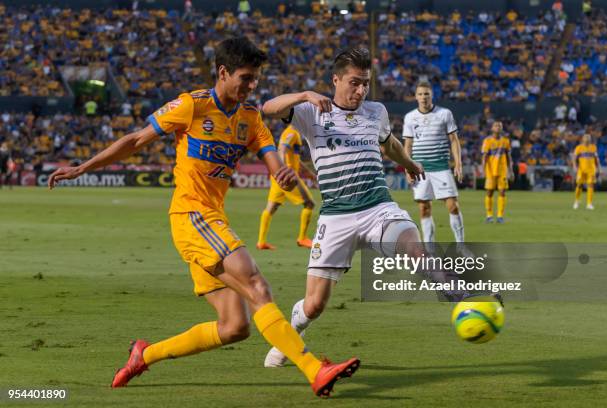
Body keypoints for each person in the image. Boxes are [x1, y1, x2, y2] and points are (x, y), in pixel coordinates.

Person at [48, 37, 359, 398]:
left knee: (234, 326)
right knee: (257, 285)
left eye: (256, 79)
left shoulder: (250, 117)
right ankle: (313, 369)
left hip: (211, 221)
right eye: (245, 78)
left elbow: (272, 159)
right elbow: (136, 140)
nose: (251, 86)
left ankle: (143, 355)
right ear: (223, 73)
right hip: (191, 215)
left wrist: (283, 174)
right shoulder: (191, 106)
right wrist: (82, 167)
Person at [259, 47, 427, 368]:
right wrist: (303, 95)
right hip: (336, 217)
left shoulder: (375, 111)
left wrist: (409, 162)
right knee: (315, 305)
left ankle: (460, 293)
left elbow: (389, 144)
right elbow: (268, 108)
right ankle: (291, 334)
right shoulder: (312, 112)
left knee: (415, 250)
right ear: (335, 80)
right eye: (354, 82)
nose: (361, 90)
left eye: (365, 83)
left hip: (378, 208)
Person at [402, 82, 465, 244]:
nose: (423, 97)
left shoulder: (444, 114)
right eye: (420, 94)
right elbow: (407, 145)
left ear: (432, 95)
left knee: (453, 206)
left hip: (441, 167)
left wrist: (458, 163)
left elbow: (454, 140)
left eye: (426, 94)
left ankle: (461, 246)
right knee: (424, 208)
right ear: (415, 96)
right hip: (420, 169)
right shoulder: (410, 117)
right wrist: (407, 169)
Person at [257, 124, 316, 250]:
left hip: (278, 174)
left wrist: (309, 173)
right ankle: (302, 238)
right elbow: (282, 150)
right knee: (309, 203)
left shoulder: (294, 133)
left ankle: (261, 242)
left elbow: (295, 158)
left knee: (271, 207)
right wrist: (283, 170)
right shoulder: (291, 132)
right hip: (289, 175)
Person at [481, 121, 513, 223]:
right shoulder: (487, 141)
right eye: (496, 125)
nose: (498, 127)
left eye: (500, 125)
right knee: (489, 192)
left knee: (502, 192)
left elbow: (509, 156)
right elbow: (484, 156)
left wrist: (510, 170)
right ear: (492, 128)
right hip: (490, 170)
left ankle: (500, 216)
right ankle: (489, 215)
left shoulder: (505, 141)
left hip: (502, 170)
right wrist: (483, 169)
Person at [572, 134, 600, 210]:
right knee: (579, 185)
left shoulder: (593, 147)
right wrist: (574, 166)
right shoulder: (579, 148)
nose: (587, 141)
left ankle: (589, 204)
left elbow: (596, 159)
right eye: (586, 139)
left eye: (589, 139)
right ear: (583, 140)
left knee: (590, 185)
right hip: (581, 170)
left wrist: (598, 167)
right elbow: (574, 158)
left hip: (591, 170)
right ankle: (576, 201)